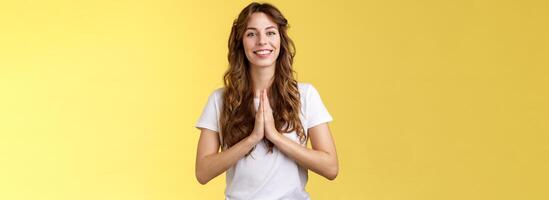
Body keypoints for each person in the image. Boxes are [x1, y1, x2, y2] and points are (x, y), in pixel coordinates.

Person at [195, 2, 338, 199]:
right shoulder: (219, 100)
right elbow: (203, 172)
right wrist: (253, 138)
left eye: (270, 32)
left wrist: (274, 136)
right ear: (240, 42)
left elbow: (331, 168)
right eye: (251, 34)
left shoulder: (305, 95)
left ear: (280, 40)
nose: (262, 41)